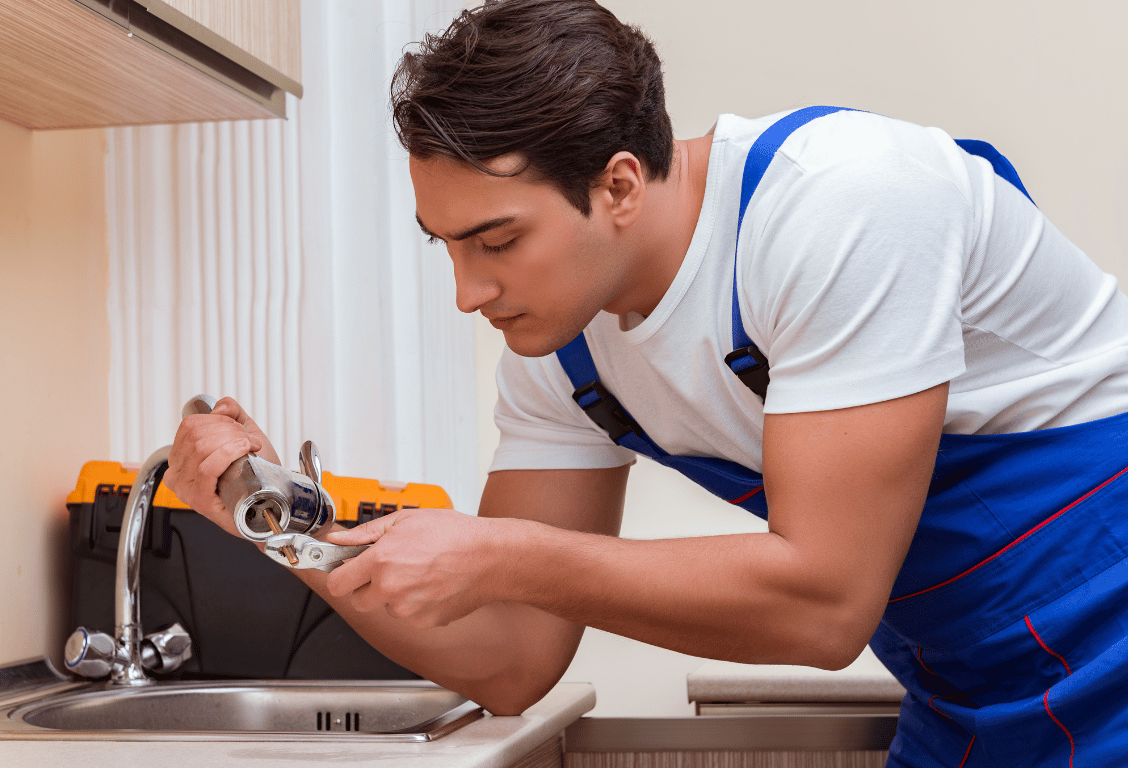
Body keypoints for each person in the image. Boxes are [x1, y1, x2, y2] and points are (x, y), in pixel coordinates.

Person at [164, 0, 1128, 764]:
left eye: (497, 241)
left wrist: (503, 552)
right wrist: (276, 526)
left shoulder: (844, 206)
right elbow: (509, 659)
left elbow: (826, 602)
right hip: (972, 689)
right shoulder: (564, 357)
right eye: (447, 248)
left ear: (620, 184)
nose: (469, 292)